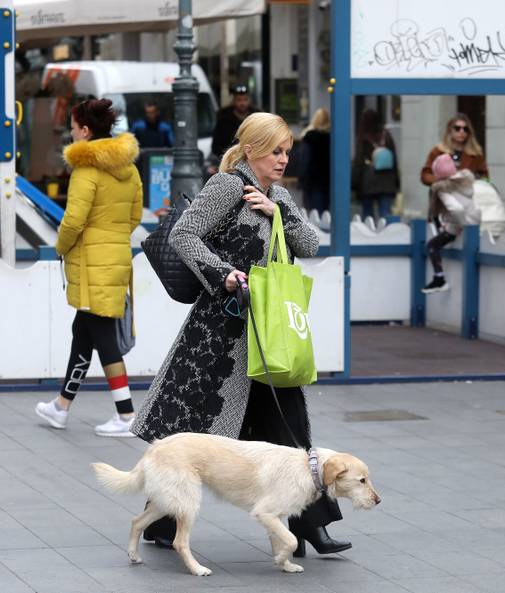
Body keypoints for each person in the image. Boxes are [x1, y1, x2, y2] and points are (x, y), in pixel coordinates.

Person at [131, 112, 351, 557]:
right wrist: (223, 274)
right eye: (276, 151)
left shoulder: (279, 196)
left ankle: (313, 524)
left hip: (268, 334)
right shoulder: (227, 186)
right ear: (252, 150)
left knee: (291, 430)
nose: (283, 159)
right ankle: (160, 521)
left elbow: (310, 244)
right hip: (219, 337)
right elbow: (185, 234)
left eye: (287, 151)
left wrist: (278, 213)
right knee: (196, 432)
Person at [35, 99, 144, 438]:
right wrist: (111, 238)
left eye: (72, 127)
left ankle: (126, 414)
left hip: (91, 264)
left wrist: (61, 246)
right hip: (115, 260)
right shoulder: (130, 168)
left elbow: (73, 219)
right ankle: (61, 407)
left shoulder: (86, 170)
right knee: (82, 332)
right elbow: (135, 216)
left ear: (85, 130)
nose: (70, 132)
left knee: (103, 338)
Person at [422, 154, 481, 293]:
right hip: (478, 220)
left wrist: (462, 226)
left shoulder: (442, 188)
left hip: (463, 224)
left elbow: (456, 209)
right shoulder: (466, 181)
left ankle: (439, 279)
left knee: (432, 245)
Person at [351, 108, 400, 220]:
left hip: (368, 182)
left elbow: (358, 162)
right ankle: (387, 234)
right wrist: (396, 181)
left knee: (368, 215)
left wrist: (354, 184)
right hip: (387, 181)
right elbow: (394, 160)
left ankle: (369, 237)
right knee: (385, 214)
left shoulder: (363, 137)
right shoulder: (386, 135)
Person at [420, 113, 489, 185]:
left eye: (465, 129)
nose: (461, 132)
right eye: (457, 128)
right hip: (443, 192)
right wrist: (440, 180)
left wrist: (473, 180)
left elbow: (486, 178)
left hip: (468, 193)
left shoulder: (476, 153)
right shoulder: (438, 151)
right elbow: (425, 175)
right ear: (450, 130)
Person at [211, 84, 259, 159]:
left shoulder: (256, 118)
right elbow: (216, 146)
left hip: (252, 158)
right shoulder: (224, 119)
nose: (242, 103)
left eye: (245, 99)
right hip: (230, 160)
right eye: (239, 100)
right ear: (234, 101)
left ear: (249, 100)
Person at [298, 108, 331, 213]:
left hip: (312, 181)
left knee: (314, 213)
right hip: (329, 180)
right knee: (326, 212)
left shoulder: (309, 137)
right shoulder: (332, 137)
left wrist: (302, 180)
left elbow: (304, 161)